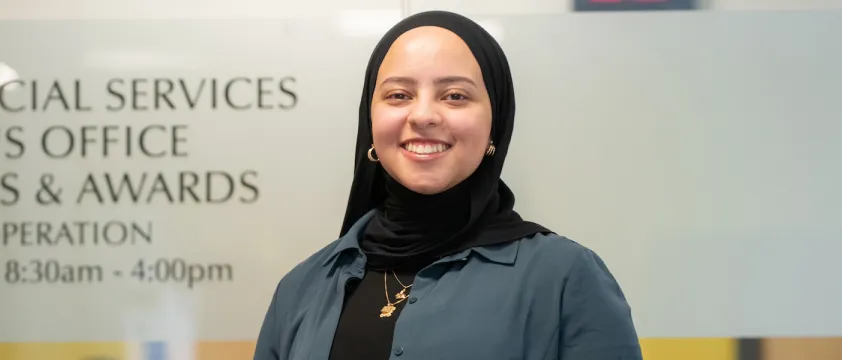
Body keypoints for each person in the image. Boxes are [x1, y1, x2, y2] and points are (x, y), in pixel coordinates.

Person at [252, 11, 641, 360]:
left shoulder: (564, 277)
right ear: (369, 120)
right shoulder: (304, 286)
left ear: (495, 124)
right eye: (399, 95)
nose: (423, 115)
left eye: (455, 96)